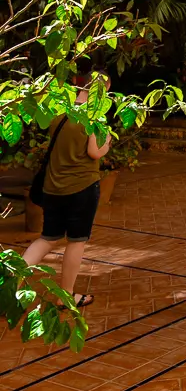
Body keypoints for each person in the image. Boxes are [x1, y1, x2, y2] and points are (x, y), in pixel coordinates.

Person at [23, 72, 112, 309]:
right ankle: (67, 295)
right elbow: (95, 152)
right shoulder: (93, 118)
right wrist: (107, 142)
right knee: (76, 241)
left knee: (47, 238)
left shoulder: (59, 112)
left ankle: (12, 280)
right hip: (82, 188)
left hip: (53, 187)